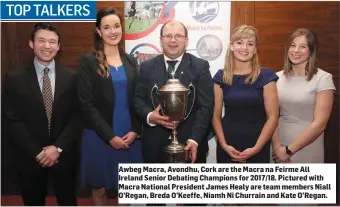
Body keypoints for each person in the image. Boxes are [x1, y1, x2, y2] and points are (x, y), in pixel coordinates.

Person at [2, 22, 80, 205]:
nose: (47, 46)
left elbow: (77, 116)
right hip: (29, 157)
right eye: (42, 41)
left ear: (58, 46)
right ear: (31, 43)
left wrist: (58, 148)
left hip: (64, 156)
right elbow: (11, 119)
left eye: (52, 42)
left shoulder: (71, 77)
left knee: (68, 201)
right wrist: (37, 152)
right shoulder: (14, 78)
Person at [77, 8, 142, 205]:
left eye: (116, 26)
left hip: (129, 136)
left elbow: (138, 99)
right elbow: (85, 104)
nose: (113, 31)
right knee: (100, 189)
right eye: (106, 27)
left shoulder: (131, 61)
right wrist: (109, 136)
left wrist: (135, 130)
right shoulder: (88, 62)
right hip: (99, 135)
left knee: (129, 190)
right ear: (98, 31)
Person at [133, 20, 214, 164]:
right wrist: (150, 116)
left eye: (178, 36)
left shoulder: (200, 67)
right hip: (155, 147)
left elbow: (206, 107)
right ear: (161, 40)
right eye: (168, 36)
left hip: (190, 147)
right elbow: (138, 99)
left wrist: (194, 140)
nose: (173, 40)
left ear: (186, 40)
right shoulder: (146, 67)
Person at [212, 25, 279, 163]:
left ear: (255, 50)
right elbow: (215, 116)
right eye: (239, 42)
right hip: (228, 143)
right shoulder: (220, 77)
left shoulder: (266, 76)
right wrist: (224, 145)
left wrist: (256, 148)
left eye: (250, 44)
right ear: (231, 46)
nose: (244, 48)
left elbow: (273, 117)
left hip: (258, 144)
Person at [272, 28, 335, 163]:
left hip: (308, 146)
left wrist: (289, 150)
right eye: (293, 45)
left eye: (303, 46)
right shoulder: (276, 78)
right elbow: (271, 117)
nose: (296, 51)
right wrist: (278, 149)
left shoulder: (323, 78)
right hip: (278, 147)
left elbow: (320, 124)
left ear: (311, 50)